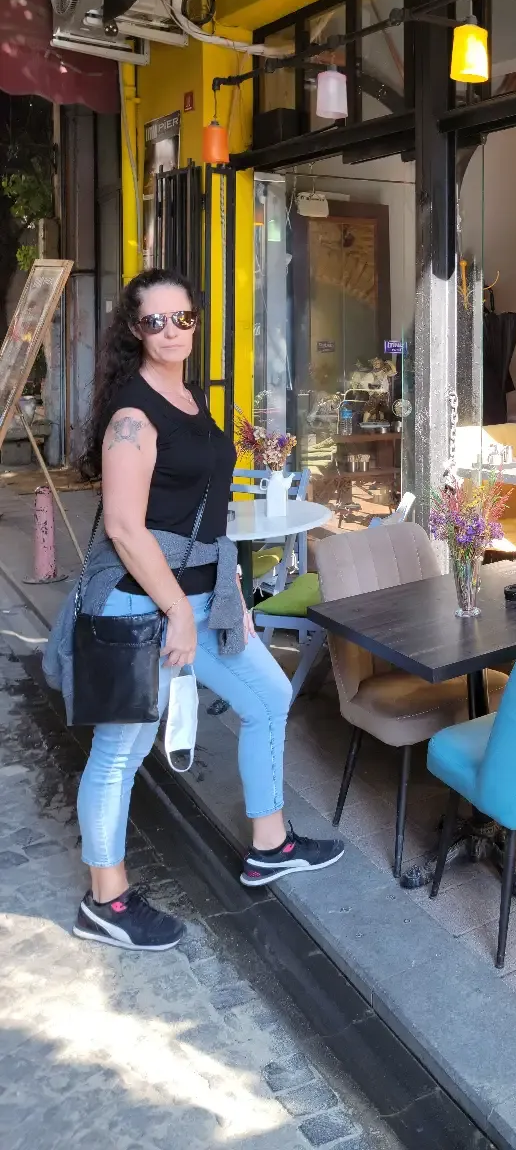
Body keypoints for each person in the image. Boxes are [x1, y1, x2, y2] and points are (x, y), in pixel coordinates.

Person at [45, 268, 342, 952]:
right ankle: (107, 900)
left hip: (205, 594)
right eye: (156, 321)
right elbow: (123, 525)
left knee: (268, 696)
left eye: (184, 319)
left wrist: (228, 588)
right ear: (133, 329)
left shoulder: (187, 394)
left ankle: (270, 843)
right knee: (119, 751)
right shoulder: (131, 414)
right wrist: (178, 608)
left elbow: (205, 509)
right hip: (135, 602)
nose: (172, 331)